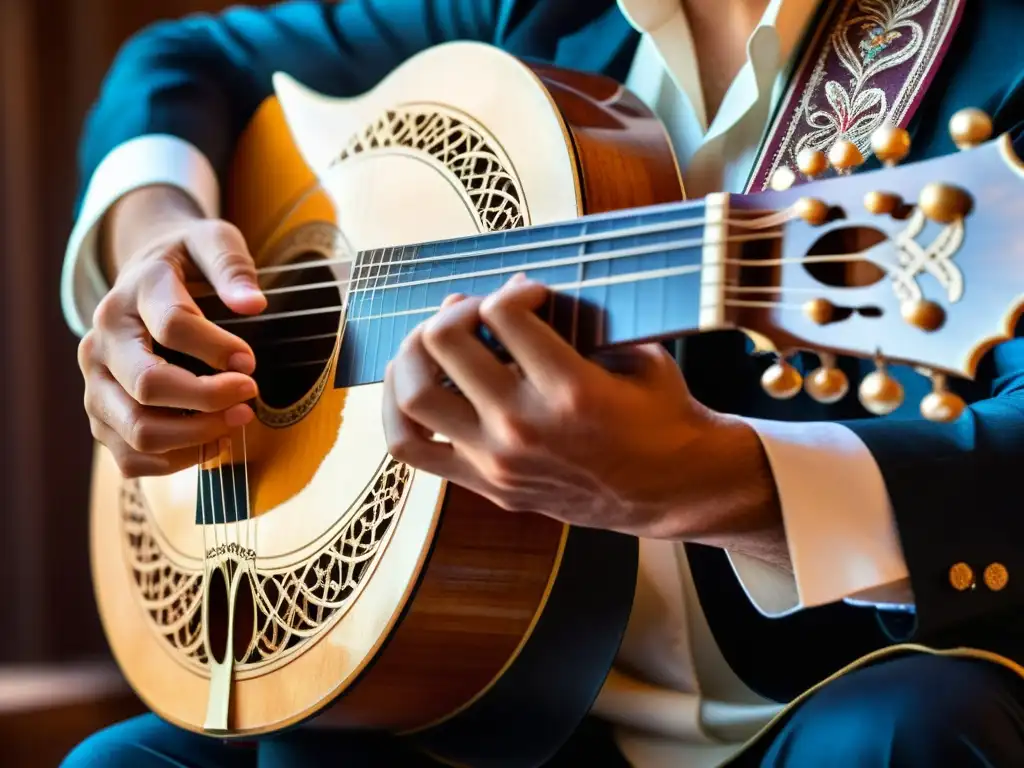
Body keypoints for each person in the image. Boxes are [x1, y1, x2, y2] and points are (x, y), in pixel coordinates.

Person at [62, 0, 1024, 766]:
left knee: (916, 733)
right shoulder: (540, 16)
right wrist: (152, 241)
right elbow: (181, 59)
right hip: (488, 700)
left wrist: (729, 484)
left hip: (830, 700)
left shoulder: (997, 55)